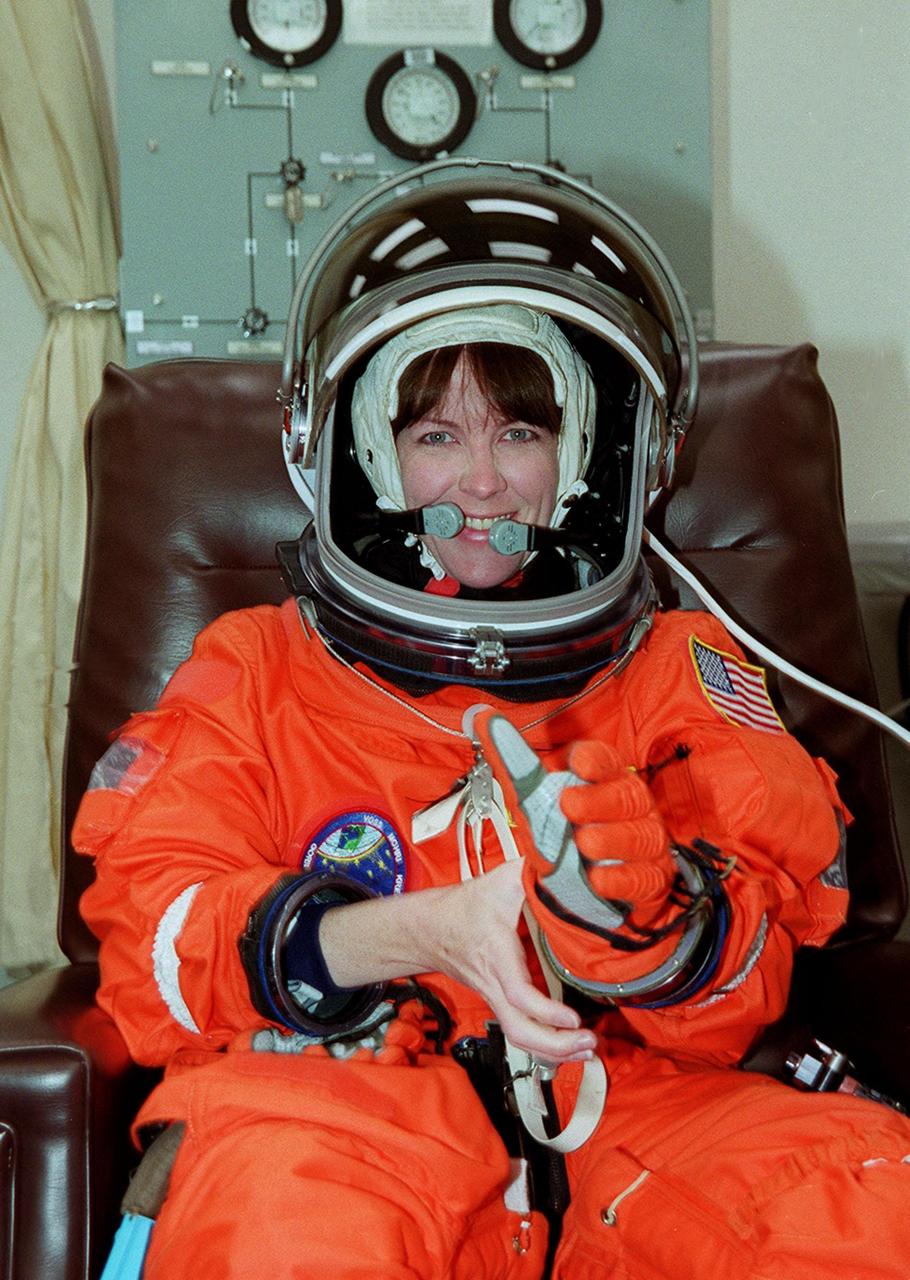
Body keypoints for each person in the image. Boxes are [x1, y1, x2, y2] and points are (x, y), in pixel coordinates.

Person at [75, 164, 910, 1279]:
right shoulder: (259, 669)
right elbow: (156, 952)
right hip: (339, 1104)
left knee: (855, 1209)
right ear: (362, 455)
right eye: (431, 434)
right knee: (280, 1223)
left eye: (520, 431)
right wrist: (403, 934)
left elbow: (762, 951)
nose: (481, 482)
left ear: (592, 460)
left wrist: (651, 919)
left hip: (641, 1100)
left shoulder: (677, 667)